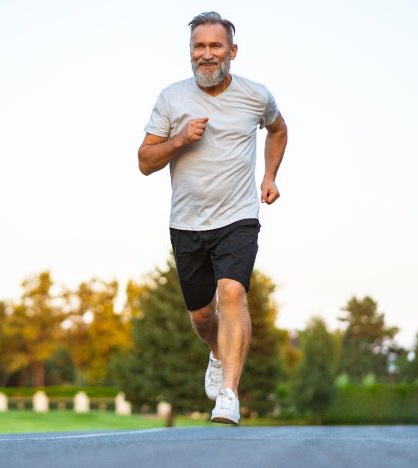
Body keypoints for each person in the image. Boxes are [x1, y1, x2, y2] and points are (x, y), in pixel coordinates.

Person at [138, 11, 288, 424]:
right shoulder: (172, 98)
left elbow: (278, 130)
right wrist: (180, 139)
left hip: (238, 216)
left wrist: (270, 176)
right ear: (191, 53)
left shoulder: (256, 96)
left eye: (215, 46)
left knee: (233, 292)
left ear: (232, 51)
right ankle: (217, 351)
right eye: (198, 47)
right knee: (203, 316)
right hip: (187, 222)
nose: (206, 54)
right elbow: (144, 162)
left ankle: (229, 395)